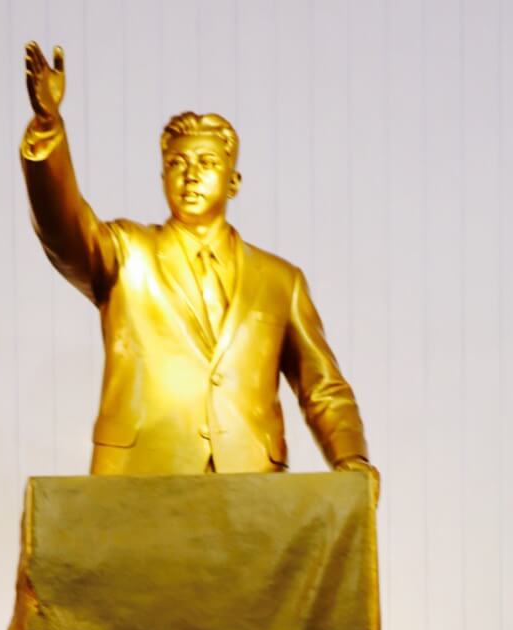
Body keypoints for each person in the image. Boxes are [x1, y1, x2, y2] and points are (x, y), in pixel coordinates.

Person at [20, 41, 380, 491]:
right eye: (176, 164)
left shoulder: (280, 281)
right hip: (140, 479)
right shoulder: (126, 252)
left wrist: (351, 457)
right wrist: (49, 129)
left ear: (233, 181)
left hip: (251, 487)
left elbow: (321, 386)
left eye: (207, 163)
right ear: (162, 176)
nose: (190, 175)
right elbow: (62, 227)